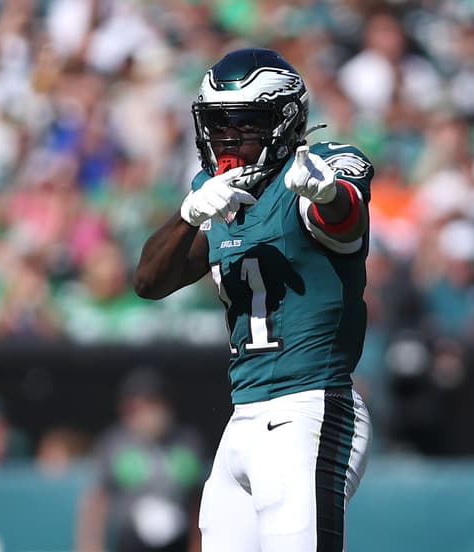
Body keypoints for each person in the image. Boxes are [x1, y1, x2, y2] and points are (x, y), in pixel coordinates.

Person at [134, 48, 373, 552]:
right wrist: (189, 215)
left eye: (244, 123)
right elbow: (149, 282)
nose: (227, 137)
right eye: (217, 123)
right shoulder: (214, 192)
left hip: (309, 406)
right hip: (243, 416)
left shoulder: (316, 169)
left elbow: (346, 223)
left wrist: (326, 195)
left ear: (283, 122)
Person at [75, 367, 206, 552]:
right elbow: (97, 500)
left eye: (153, 404)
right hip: (130, 543)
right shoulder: (114, 443)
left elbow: (197, 501)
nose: (147, 414)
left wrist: (198, 545)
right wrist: (91, 546)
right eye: (139, 406)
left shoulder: (188, 442)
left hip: (178, 542)